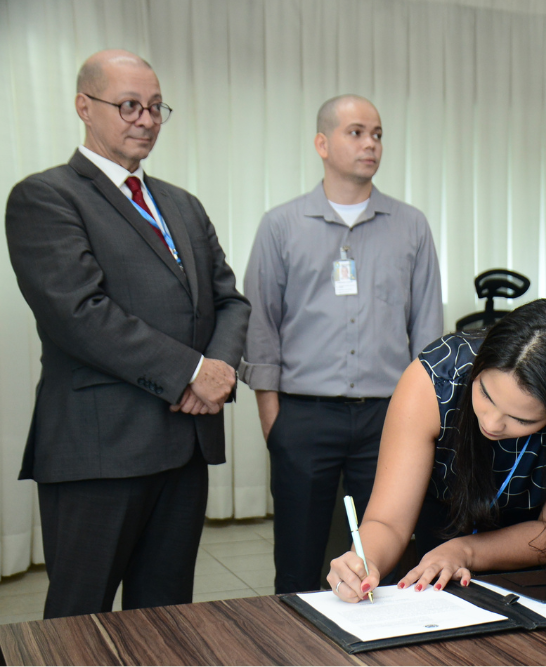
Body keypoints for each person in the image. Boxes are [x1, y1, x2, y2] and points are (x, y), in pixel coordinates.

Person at [4, 50, 250, 618]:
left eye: (156, 107)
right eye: (129, 106)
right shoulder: (46, 197)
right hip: (99, 450)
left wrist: (215, 372)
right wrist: (192, 373)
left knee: (167, 616)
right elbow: (80, 314)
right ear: (84, 107)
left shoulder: (183, 205)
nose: (146, 120)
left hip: (184, 444)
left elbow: (229, 301)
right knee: (79, 620)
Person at [242, 94, 443, 594]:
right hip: (303, 414)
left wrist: (424, 417)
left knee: (385, 558)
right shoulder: (281, 225)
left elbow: (427, 332)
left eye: (377, 134)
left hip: (388, 416)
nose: (370, 144)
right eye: (356, 132)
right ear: (322, 143)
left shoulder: (411, 226)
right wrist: (274, 422)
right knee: (298, 560)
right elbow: (261, 325)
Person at [327, 299, 546, 600]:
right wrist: (364, 562)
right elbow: (388, 521)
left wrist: (466, 551)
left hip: (538, 572)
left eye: (522, 419)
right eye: (485, 393)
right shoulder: (434, 380)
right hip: (441, 552)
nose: (491, 423)